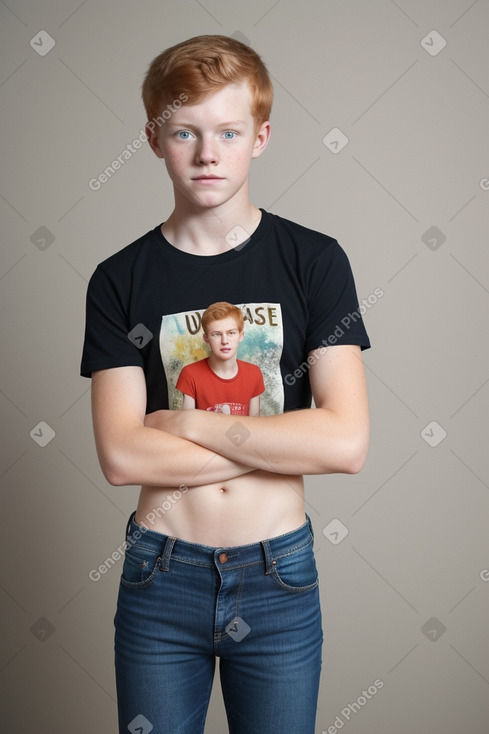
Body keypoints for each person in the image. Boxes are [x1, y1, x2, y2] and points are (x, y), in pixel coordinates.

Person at [81, 34, 370, 734]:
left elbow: (346, 442)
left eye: (228, 133)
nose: (207, 154)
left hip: (279, 576)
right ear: (154, 139)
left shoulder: (315, 261)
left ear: (259, 138)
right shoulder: (119, 279)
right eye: (185, 132)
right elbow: (122, 459)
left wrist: (186, 424)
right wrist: (286, 440)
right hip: (160, 575)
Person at [176, 301, 265, 416]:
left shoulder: (254, 373)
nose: (224, 341)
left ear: (241, 336)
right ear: (206, 338)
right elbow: (186, 425)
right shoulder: (190, 374)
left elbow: (255, 425)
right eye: (217, 334)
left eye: (231, 333)